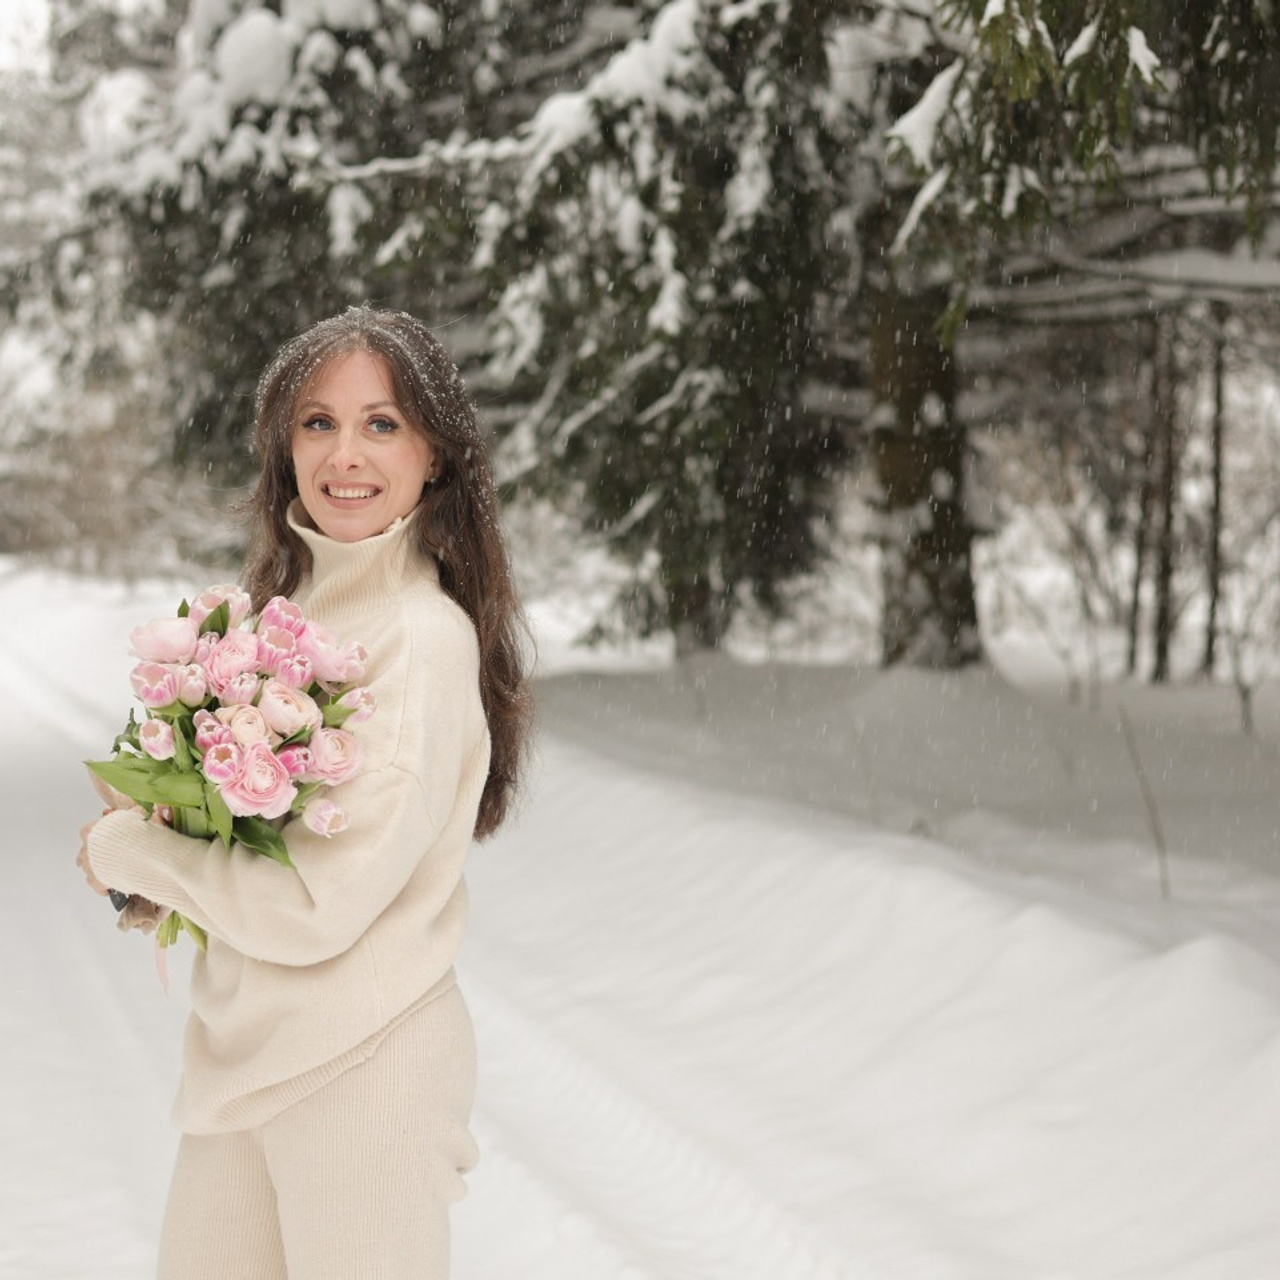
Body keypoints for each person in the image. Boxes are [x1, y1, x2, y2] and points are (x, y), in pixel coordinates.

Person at [77, 306, 532, 1280]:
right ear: (284, 448)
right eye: (316, 422)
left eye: (382, 422)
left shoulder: (416, 636)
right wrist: (178, 838)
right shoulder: (290, 619)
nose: (345, 454)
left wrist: (129, 851)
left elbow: (317, 903)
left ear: (436, 453)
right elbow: (266, 850)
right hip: (242, 1057)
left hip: (360, 1065)